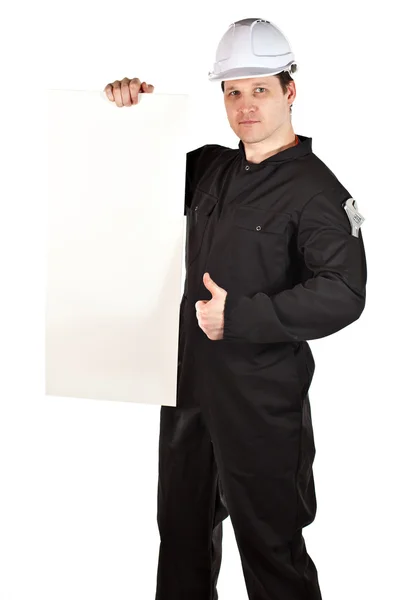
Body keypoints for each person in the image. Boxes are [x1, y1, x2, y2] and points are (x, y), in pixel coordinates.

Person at [104, 17, 367, 600]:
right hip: (190, 392)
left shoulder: (317, 191)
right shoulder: (212, 169)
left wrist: (242, 317)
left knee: (271, 551)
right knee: (181, 541)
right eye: (232, 91)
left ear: (289, 91)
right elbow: (131, 168)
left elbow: (344, 291)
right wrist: (129, 107)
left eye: (260, 89)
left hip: (262, 404)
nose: (245, 105)